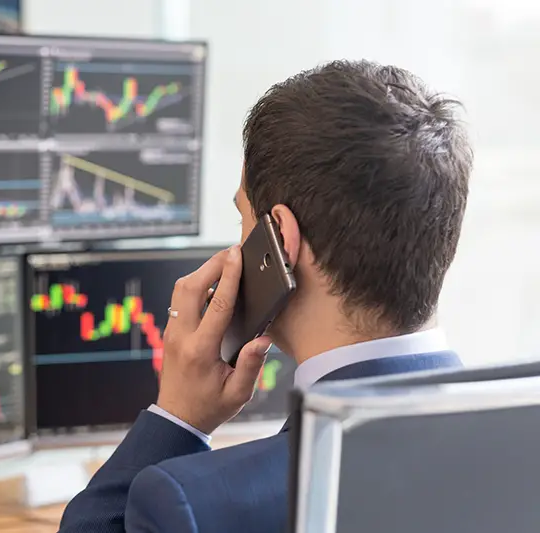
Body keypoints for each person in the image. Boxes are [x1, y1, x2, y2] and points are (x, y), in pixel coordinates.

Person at [58, 59, 473, 533]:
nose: (237, 243)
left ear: (282, 241)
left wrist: (177, 418)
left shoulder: (191, 505)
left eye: (244, 218)